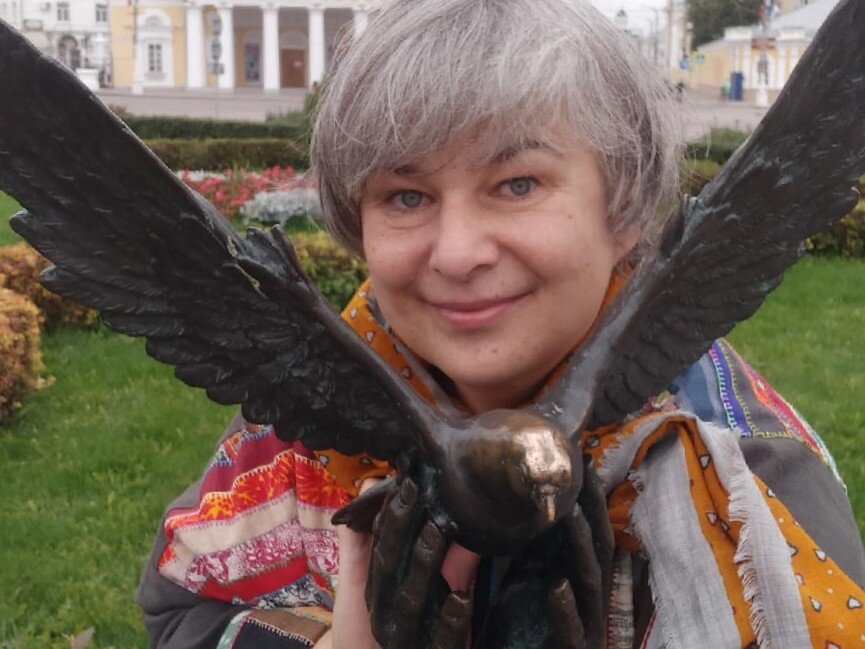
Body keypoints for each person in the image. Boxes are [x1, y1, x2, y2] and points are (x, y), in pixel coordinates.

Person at [136, 0, 865, 647]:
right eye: (406, 196)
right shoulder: (297, 433)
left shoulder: (752, 485)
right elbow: (180, 610)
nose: (457, 254)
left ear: (623, 209)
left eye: (517, 184)